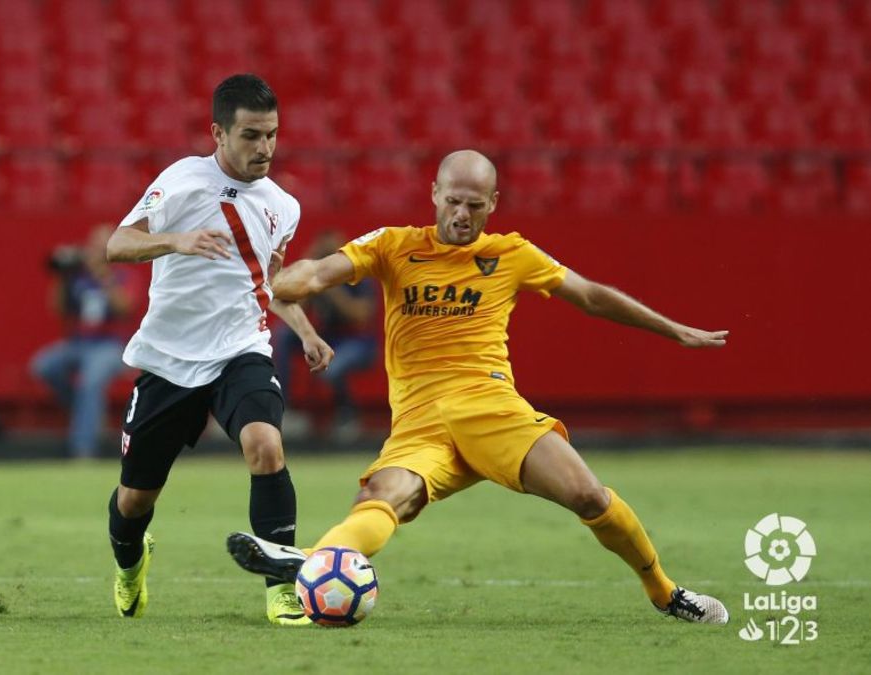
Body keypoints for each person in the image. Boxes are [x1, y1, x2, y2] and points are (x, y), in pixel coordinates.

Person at [227, 149, 731, 625]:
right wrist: (280, 281)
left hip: (491, 411)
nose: (461, 214)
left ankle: (665, 592)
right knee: (382, 497)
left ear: (492, 204)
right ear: (434, 194)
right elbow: (311, 277)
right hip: (421, 425)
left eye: (473, 204)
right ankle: (315, 561)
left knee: (589, 497)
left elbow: (591, 297)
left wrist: (673, 329)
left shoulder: (512, 254)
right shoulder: (393, 245)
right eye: (452, 201)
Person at [104, 74, 333, 625]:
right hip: (170, 359)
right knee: (135, 500)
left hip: (240, 349)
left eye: (272, 135)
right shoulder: (182, 181)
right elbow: (117, 245)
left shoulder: (284, 206)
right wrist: (177, 240)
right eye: (251, 135)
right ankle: (131, 565)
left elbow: (267, 282)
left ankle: (283, 588)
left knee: (265, 445)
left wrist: (304, 329)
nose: (265, 148)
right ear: (218, 133)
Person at [30, 225, 140, 458]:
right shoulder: (79, 276)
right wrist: (62, 276)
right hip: (79, 343)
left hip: (111, 345)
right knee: (43, 366)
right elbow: (58, 309)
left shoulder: (123, 274)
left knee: (90, 381)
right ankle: (83, 411)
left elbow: (125, 308)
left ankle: (83, 448)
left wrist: (104, 276)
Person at [272, 230, 377, 440]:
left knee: (333, 366)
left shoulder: (357, 275)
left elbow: (360, 316)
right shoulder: (315, 277)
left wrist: (331, 286)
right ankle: (285, 407)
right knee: (283, 337)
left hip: (357, 340)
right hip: (327, 335)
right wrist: (306, 280)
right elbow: (292, 307)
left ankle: (347, 416)